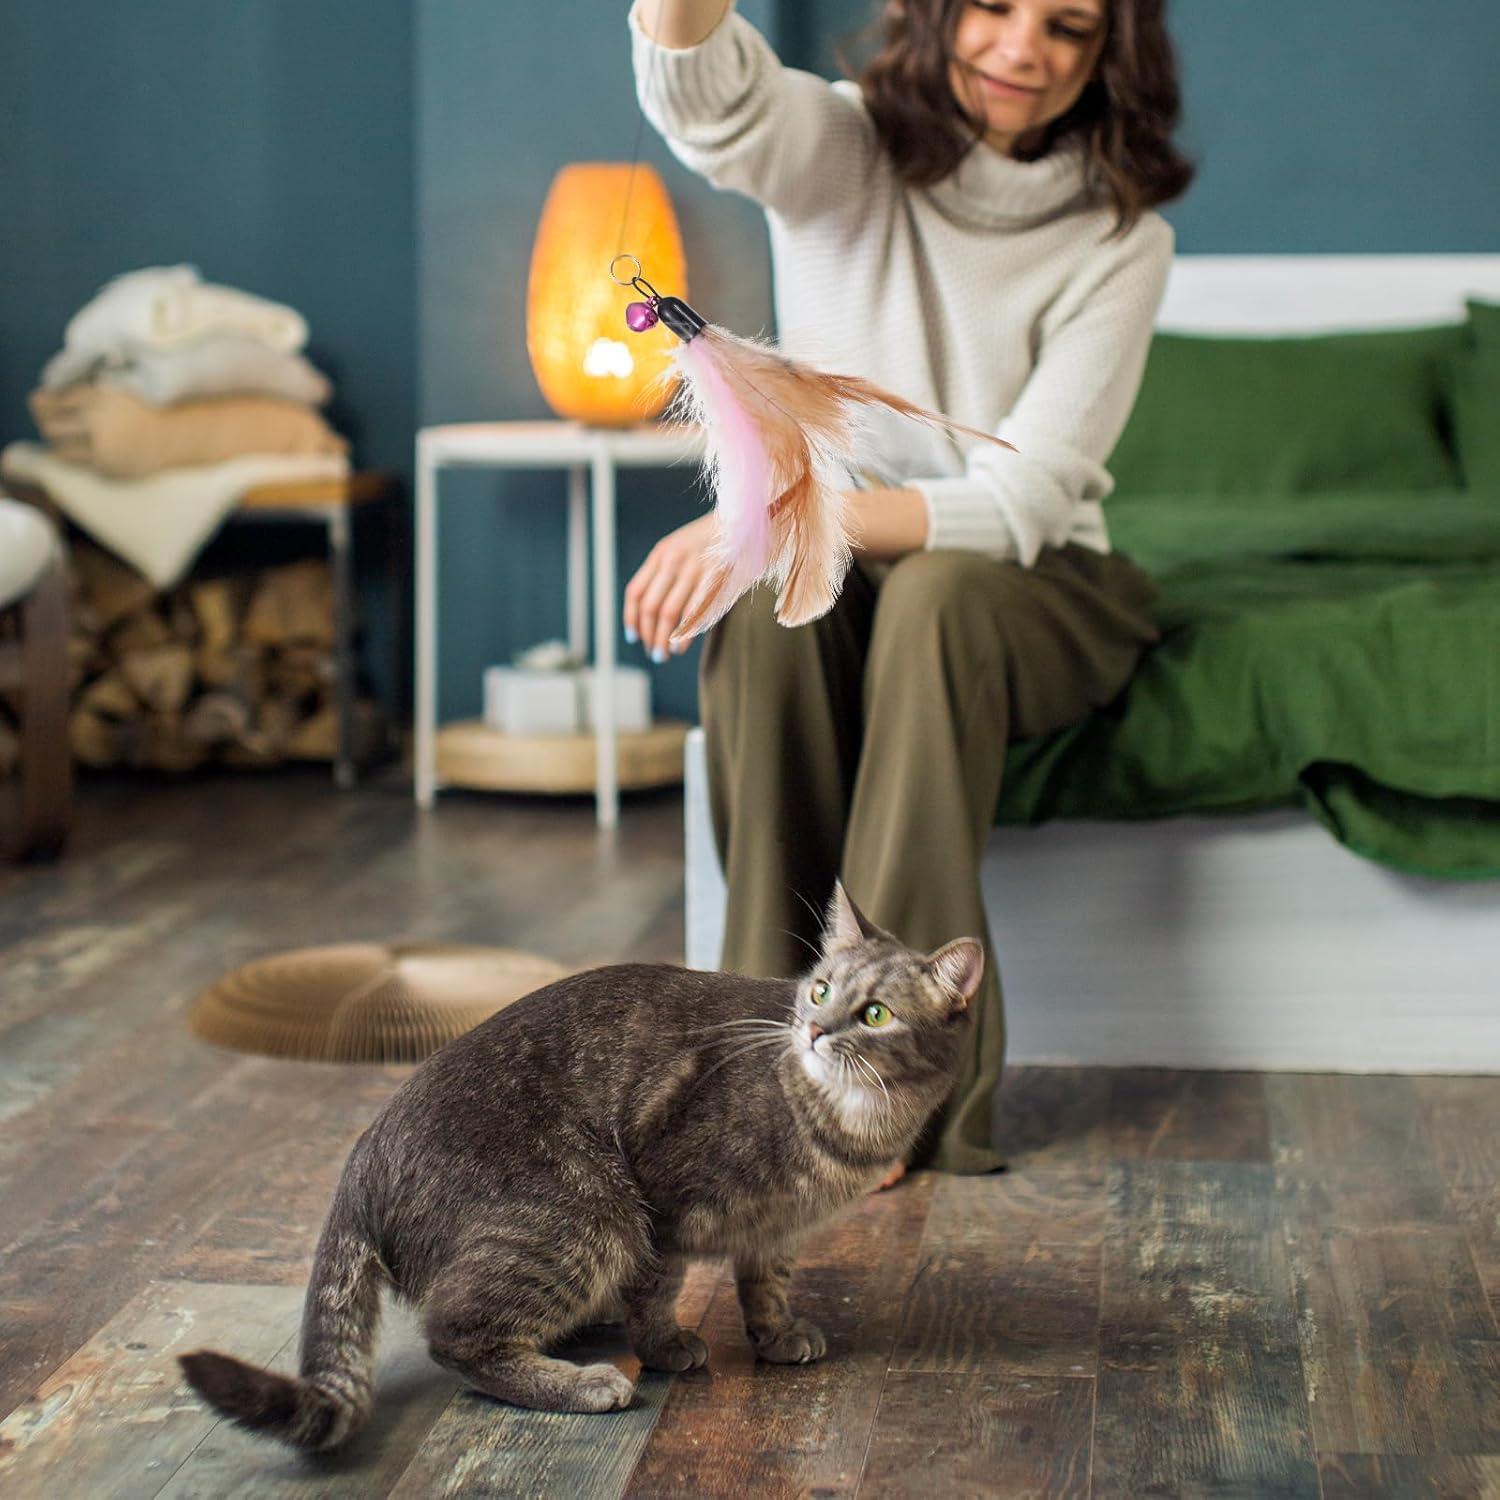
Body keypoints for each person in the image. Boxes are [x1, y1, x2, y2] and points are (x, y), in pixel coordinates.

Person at [622, 0, 1195, 1176]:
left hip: (1032, 585)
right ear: (934, 16)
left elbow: (1022, 497)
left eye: (1068, 26)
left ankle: (910, 1097)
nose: (1022, 47)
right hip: (860, 563)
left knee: (934, 594)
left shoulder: (1121, 239)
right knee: (783, 616)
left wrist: (768, 523)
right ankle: (756, 1072)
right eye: (991, 6)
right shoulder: (845, 147)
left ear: (1108, 56)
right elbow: (713, 101)